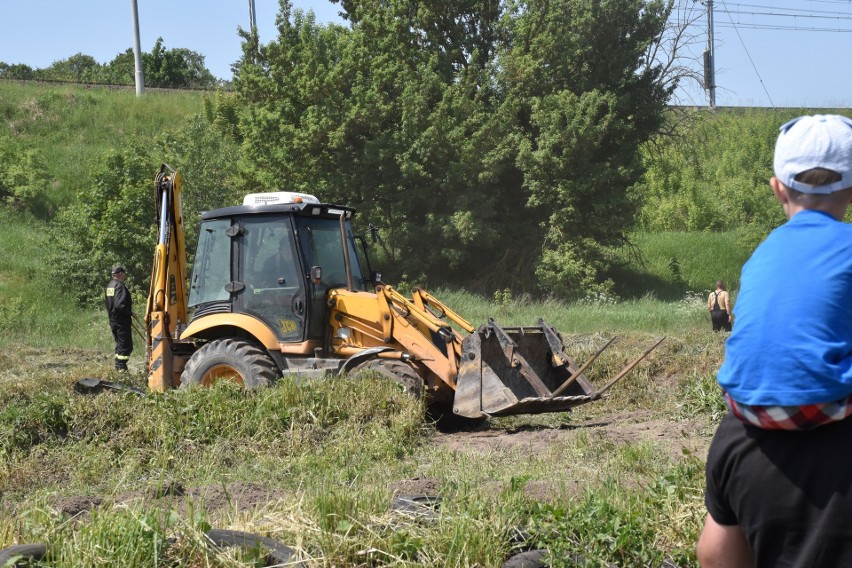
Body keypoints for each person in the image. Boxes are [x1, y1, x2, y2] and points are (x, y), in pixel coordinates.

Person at [697, 114, 852, 567]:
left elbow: (713, 557)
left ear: (777, 188)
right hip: (838, 435)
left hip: (743, 435)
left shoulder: (760, 257)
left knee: (718, 545)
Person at [105, 264, 133, 371]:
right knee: (126, 345)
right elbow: (120, 305)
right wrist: (130, 313)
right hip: (122, 321)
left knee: (119, 344)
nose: (125, 275)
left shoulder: (109, 286)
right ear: (120, 273)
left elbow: (108, 304)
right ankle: (121, 368)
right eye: (124, 273)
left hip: (113, 320)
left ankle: (118, 367)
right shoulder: (120, 286)